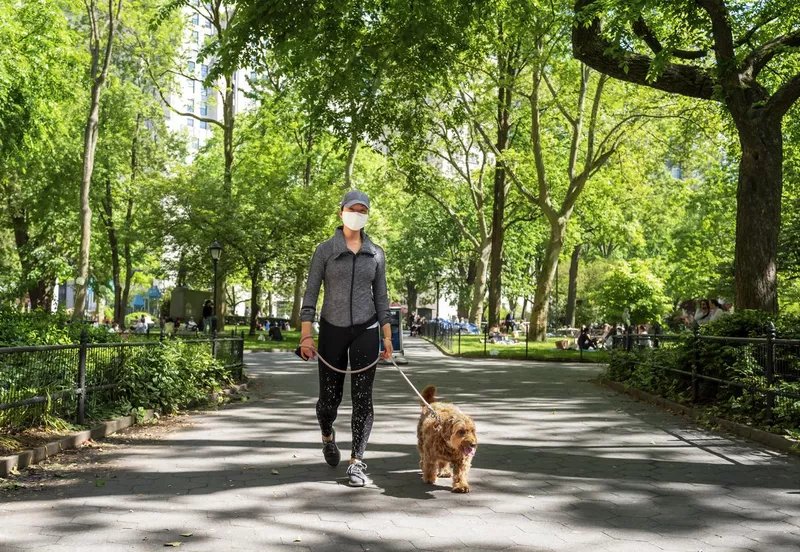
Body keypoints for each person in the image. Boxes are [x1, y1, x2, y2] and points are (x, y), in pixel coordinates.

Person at [299, 190, 392, 488]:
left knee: (363, 399)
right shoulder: (325, 250)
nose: (358, 212)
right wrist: (306, 334)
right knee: (330, 399)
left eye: (363, 209)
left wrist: (387, 336)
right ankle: (327, 434)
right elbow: (311, 293)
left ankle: (357, 461)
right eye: (353, 208)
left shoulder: (376, 253)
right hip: (332, 328)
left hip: (366, 330)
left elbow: (382, 297)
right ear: (341, 213)